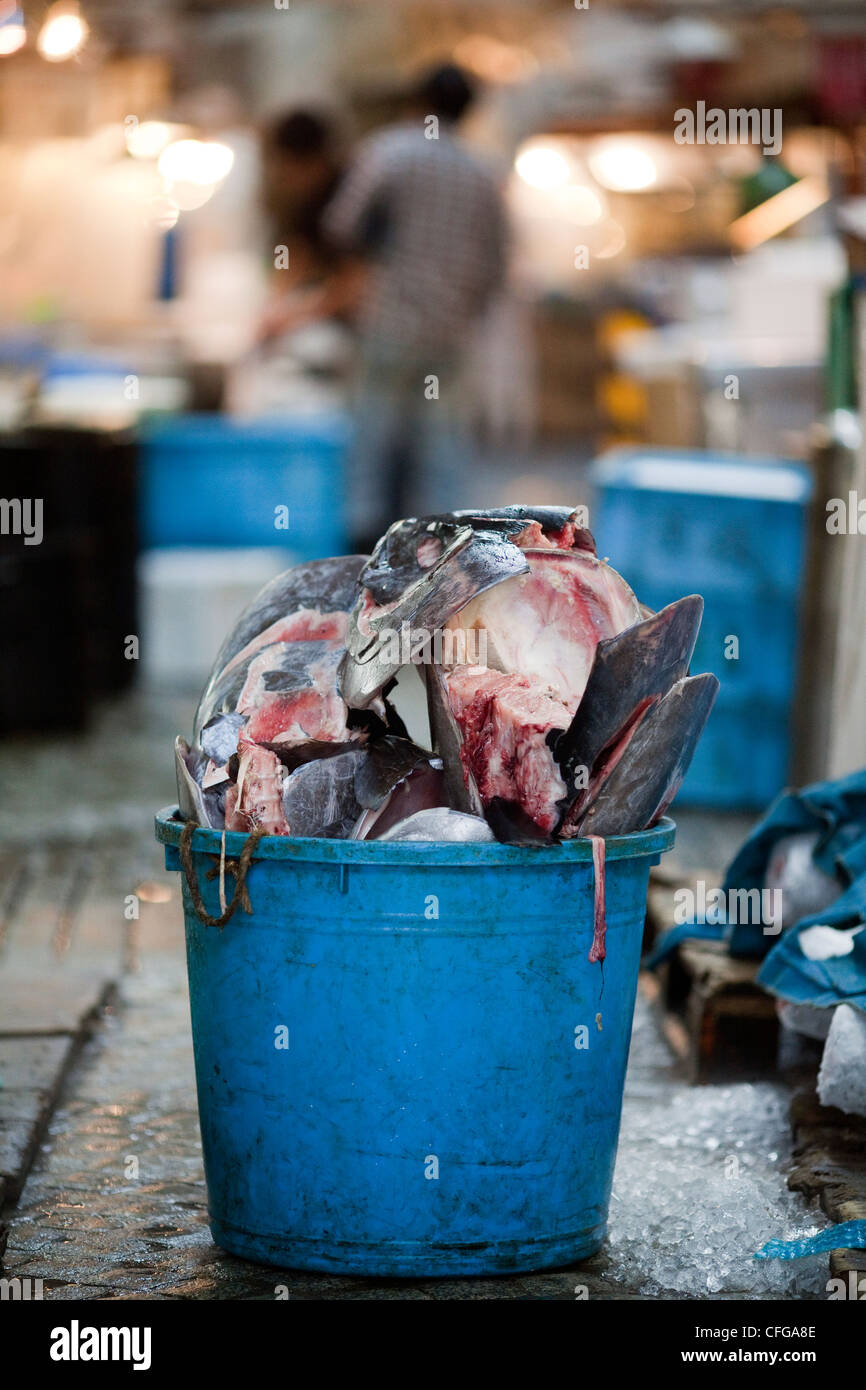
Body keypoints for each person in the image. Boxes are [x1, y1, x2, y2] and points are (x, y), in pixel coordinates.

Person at [323, 64, 508, 548]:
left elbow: (341, 224)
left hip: (389, 323)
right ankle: (437, 562)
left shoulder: (388, 152)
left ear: (416, 99)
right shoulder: (481, 172)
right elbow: (497, 264)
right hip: (449, 333)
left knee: (372, 447)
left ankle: (366, 557)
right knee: (441, 458)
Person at [257, 109, 365, 342]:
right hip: (320, 319)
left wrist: (299, 314)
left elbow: (356, 282)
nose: (285, 175)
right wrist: (276, 306)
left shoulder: (350, 197)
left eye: (289, 166)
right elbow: (293, 253)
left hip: (356, 332)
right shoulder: (303, 200)